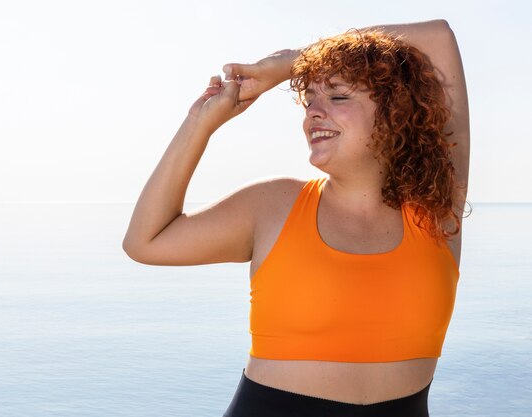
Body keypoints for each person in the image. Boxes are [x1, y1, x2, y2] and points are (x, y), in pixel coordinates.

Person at [123, 18, 469, 417]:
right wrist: (201, 123)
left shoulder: (436, 206)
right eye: (309, 102)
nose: (314, 114)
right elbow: (145, 241)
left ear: (396, 113)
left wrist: (291, 62)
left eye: (337, 97)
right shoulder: (276, 204)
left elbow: (439, 37)